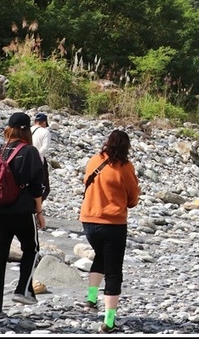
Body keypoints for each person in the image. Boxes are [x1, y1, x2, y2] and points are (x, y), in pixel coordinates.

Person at [0, 112, 46, 317]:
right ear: (27, 129)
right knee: (31, 248)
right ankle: (23, 290)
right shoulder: (29, 151)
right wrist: (39, 211)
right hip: (21, 211)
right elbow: (37, 186)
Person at [80, 129, 140, 334]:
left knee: (101, 257)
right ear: (126, 147)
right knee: (114, 271)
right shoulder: (125, 167)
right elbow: (133, 198)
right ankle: (109, 321)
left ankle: (90, 298)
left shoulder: (94, 160)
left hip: (88, 221)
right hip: (113, 223)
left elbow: (85, 183)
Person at [31, 112, 52, 202]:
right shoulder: (45, 132)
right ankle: (37, 207)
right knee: (44, 187)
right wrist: (37, 156)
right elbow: (45, 147)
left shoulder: (28, 130)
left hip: (25, 160)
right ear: (44, 122)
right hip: (39, 161)